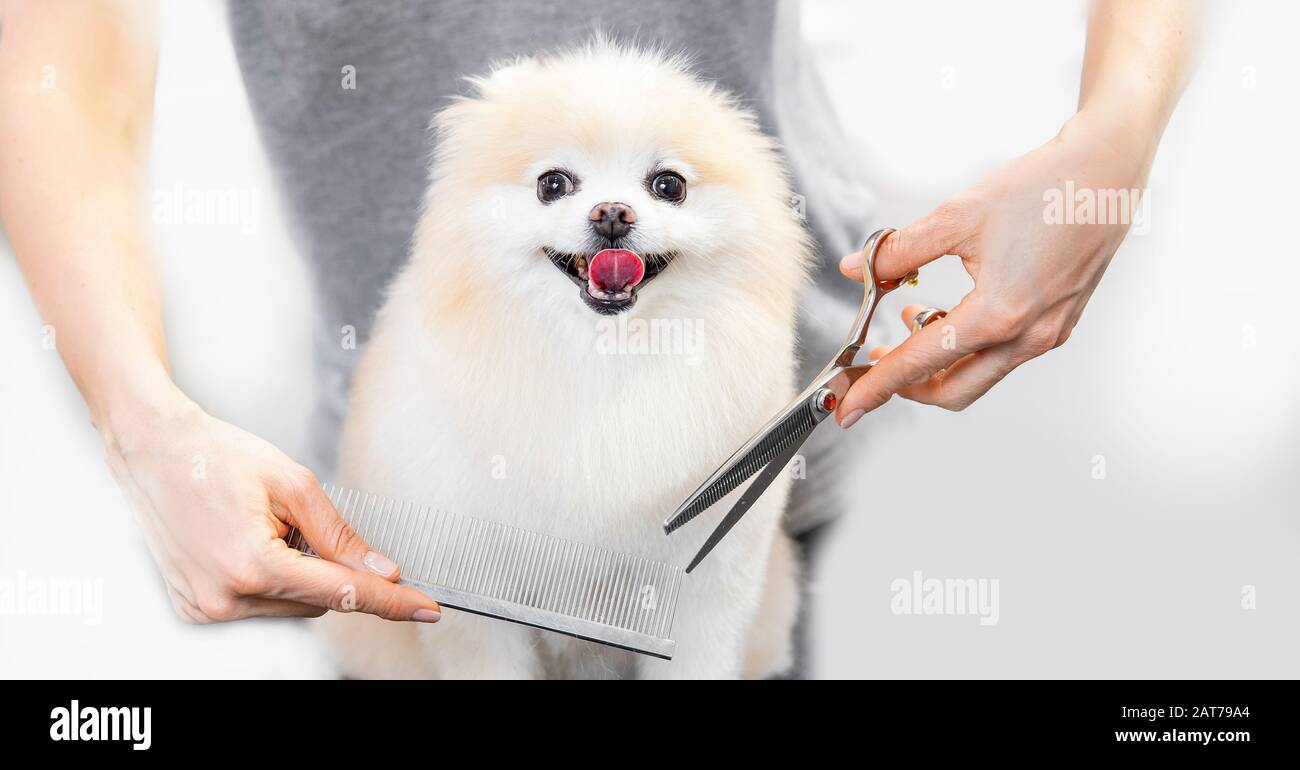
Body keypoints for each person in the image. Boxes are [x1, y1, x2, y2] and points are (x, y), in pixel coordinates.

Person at [0, 0, 1197, 625]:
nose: (611, 219)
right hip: (416, 534)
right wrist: (142, 423)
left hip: (782, 462)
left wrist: (1112, 143)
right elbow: (54, 47)